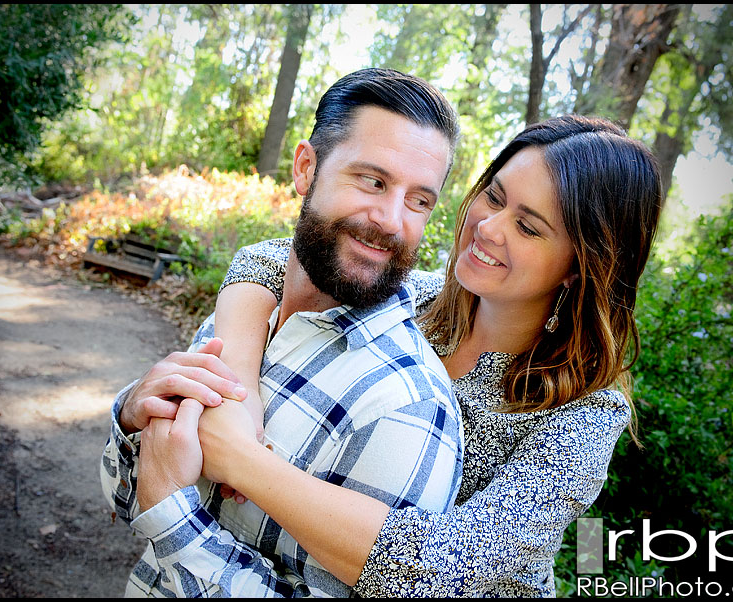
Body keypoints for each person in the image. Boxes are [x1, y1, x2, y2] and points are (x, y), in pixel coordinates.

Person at [188, 114, 664, 596]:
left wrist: (241, 459)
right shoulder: (414, 299)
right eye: (494, 197)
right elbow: (271, 260)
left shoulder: (586, 411)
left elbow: (444, 566)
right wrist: (238, 391)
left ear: (580, 267)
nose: (489, 227)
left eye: (527, 227)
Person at [99, 68, 466, 597]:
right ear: (305, 168)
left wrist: (168, 512)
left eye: (418, 201)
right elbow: (119, 493)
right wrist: (133, 418)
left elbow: (155, 509)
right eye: (373, 180)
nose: (391, 220)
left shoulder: (408, 409)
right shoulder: (244, 320)